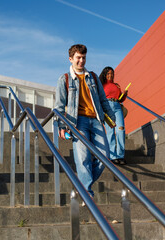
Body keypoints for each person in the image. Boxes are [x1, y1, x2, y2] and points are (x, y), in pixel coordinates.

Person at [55, 44, 116, 198]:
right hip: (77, 122)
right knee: (83, 158)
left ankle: (82, 185)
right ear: (70, 59)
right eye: (78, 58)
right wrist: (61, 126)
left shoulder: (93, 77)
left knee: (104, 156)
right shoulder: (65, 79)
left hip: (96, 120)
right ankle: (86, 193)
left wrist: (112, 119)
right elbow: (59, 106)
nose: (81, 61)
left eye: (84, 57)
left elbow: (103, 100)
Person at [99, 66, 128, 165]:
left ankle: (120, 155)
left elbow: (120, 99)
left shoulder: (116, 85)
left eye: (112, 73)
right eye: (108, 73)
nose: (110, 75)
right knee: (110, 131)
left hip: (117, 106)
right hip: (107, 106)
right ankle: (112, 156)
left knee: (121, 129)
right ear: (104, 74)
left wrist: (124, 95)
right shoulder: (101, 85)